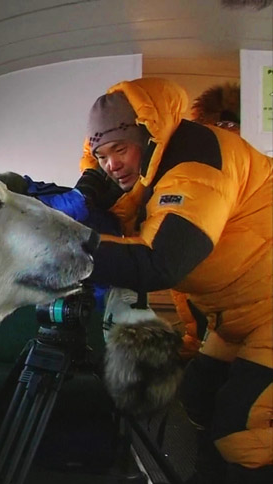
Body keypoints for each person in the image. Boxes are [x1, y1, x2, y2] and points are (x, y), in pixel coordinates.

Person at [76, 77, 272, 484]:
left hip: (267, 312)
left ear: (146, 136)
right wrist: (95, 191)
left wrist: (67, 246)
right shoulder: (158, 170)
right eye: (102, 157)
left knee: (245, 430)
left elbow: (161, 261)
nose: (112, 165)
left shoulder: (198, 161)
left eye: (119, 150)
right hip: (239, 315)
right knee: (199, 396)